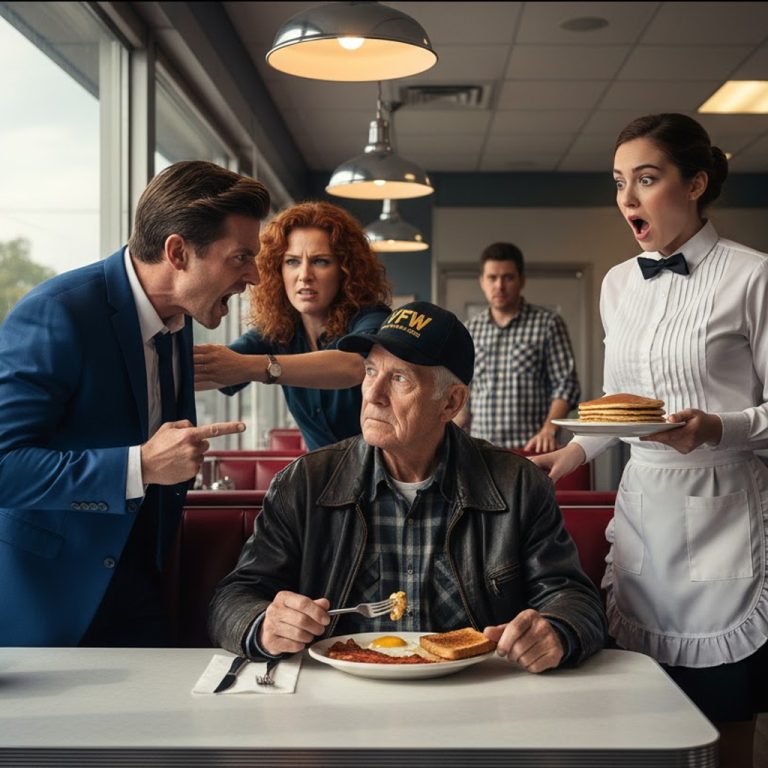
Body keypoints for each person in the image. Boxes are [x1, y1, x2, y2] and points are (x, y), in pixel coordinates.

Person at [531, 113, 768, 766]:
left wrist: (719, 426)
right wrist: (571, 454)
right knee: (639, 710)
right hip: (643, 514)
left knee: (724, 719)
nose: (627, 199)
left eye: (646, 178)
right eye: (618, 182)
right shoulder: (616, 285)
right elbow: (620, 410)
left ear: (694, 184)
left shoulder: (754, 277)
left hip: (726, 511)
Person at [209, 301, 606, 672]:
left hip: (475, 695)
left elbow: (575, 600)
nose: (373, 395)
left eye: (399, 378)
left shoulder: (518, 485)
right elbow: (233, 598)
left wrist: (555, 630)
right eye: (370, 372)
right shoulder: (305, 483)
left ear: (450, 403)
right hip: (338, 697)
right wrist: (264, 624)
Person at [0, 160, 271, 647]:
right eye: (240, 257)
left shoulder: (179, 318)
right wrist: (139, 465)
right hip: (49, 604)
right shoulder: (56, 312)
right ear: (178, 252)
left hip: (141, 585)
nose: (254, 275)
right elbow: (5, 466)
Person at [194, 201, 391, 450]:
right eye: (292, 261)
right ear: (277, 269)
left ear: (345, 270)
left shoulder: (372, 318)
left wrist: (254, 366)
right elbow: (218, 370)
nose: (304, 274)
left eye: (320, 261)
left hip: (387, 480)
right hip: (323, 483)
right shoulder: (278, 331)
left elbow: (354, 366)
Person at [456, 242, 580, 453]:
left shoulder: (547, 323)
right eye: (492, 278)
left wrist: (549, 430)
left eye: (508, 277)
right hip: (481, 452)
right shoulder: (470, 330)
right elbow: (463, 392)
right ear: (482, 281)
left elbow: (566, 385)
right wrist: (449, 435)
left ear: (522, 280)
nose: (499, 286)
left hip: (531, 449)